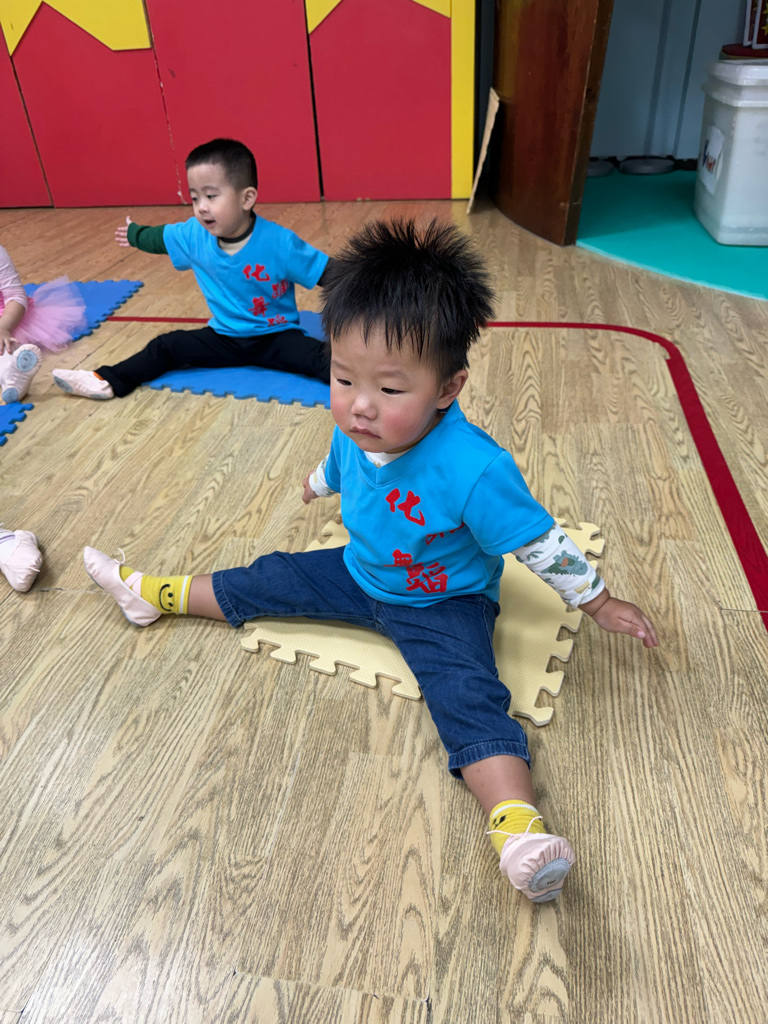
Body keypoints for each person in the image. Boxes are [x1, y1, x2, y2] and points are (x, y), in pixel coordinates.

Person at [83, 219, 658, 903]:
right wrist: (317, 483)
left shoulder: (473, 467)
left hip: (445, 600)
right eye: (342, 377)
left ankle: (518, 831)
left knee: (467, 695)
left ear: (447, 387)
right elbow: (339, 460)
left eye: (389, 390)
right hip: (359, 572)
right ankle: (153, 593)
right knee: (270, 576)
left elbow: (539, 542)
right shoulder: (356, 426)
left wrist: (599, 601)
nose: (359, 406)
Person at [52, 138, 332, 400]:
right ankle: (106, 380)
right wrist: (135, 234)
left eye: (211, 196)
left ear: (246, 199)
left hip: (276, 336)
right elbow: (159, 238)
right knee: (166, 346)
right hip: (224, 336)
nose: (201, 207)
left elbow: (327, 272)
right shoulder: (193, 235)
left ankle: (358, 384)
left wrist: (360, 298)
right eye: (195, 198)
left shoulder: (279, 243)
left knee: (321, 358)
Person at [0, 243, 85, 403]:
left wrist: (4, 327)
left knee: (2, 346)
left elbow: (16, 296)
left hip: (5, 316)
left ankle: (11, 377)